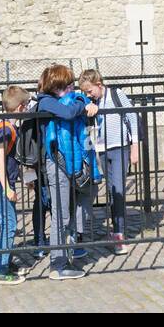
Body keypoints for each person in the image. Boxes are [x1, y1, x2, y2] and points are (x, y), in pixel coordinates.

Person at [36, 64, 99, 279]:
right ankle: (58, 263)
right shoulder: (46, 101)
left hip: (75, 158)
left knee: (87, 193)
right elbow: (68, 112)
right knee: (60, 214)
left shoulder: (72, 98)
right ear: (58, 84)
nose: (73, 86)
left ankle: (71, 238)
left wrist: (81, 101)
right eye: (69, 82)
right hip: (57, 161)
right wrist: (82, 103)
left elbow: (76, 108)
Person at [78, 69, 139, 253]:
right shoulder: (91, 102)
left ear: (98, 84)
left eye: (90, 91)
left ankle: (120, 233)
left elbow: (132, 117)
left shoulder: (116, 94)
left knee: (119, 189)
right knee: (112, 190)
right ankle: (115, 231)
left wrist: (134, 146)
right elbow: (91, 127)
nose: (89, 95)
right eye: (85, 92)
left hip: (119, 146)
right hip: (102, 149)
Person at [0, 86, 28, 285]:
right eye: (26, 106)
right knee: (9, 226)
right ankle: (0, 269)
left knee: (7, 224)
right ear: (20, 107)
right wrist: (7, 188)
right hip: (2, 184)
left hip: (4, 183)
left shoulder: (8, 127)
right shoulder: (6, 129)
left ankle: (6, 262)